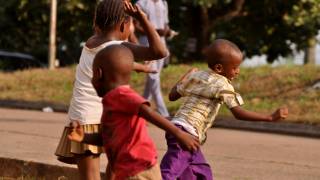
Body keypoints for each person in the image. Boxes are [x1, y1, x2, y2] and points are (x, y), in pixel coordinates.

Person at [55, 1, 169, 179]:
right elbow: (160, 51)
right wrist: (143, 19)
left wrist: (138, 67)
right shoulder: (118, 47)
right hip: (101, 117)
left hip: (83, 117)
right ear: (124, 25)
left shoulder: (92, 42)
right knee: (114, 173)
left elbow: (115, 63)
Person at [160, 39, 289, 179]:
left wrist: (186, 75)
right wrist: (269, 117)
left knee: (202, 173)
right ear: (219, 68)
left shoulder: (196, 76)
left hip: (180, 129)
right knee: (168, 173)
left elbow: (172, 96)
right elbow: (238, 113)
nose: (238, 71)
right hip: (186, 133)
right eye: (234, 68)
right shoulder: (223, 85)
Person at [68, 44, 200, 179]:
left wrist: (179, 134)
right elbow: (107, 137)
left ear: (98, 74)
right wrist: (84, 137)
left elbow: (148, 112)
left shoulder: (121, 95)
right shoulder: (112, 101)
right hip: (130, 171)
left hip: (139, 171)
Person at [135, 0, 175, 117]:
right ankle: (165, 114)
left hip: (161, 43)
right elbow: (136, 25)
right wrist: (153, 31)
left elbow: (165, 24)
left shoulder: (163, 3)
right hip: (147, 42)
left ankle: (140, 111)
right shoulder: (141, 3)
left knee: (152, 80)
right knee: (154, 78)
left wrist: (166, 32)